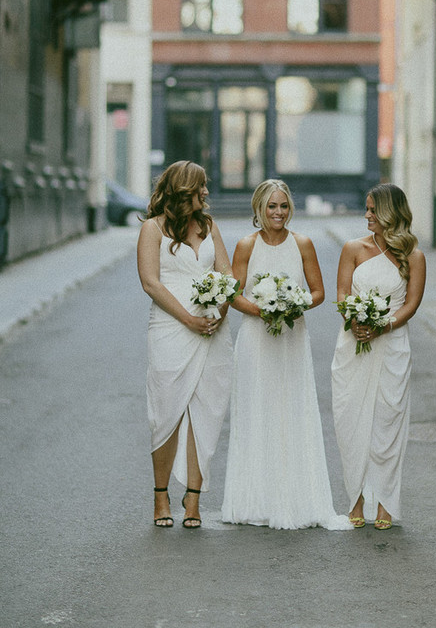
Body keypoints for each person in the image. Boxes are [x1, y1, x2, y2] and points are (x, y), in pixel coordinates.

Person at [222, 179, 350, 530]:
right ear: (259, 209)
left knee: (292, 410)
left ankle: (297, 499)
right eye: (271, 207)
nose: (278, 213)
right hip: (255, 340)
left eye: (283, 206)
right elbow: (234, 294)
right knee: (256, 411)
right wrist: (262, 310)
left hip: (292, 337)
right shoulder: (245, 246)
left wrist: (293, 304)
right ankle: (256, 499)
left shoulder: (303, 244)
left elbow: (319, 292)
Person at [137, 161, 234, 529]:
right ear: (183, 190)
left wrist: (220, 312)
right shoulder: (152, 228)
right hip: (170, 327)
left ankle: (193, 500)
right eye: (201, 187)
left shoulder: (209, 226)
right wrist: (189, 319)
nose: (207, 192)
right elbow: (151, 283)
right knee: (167, 411)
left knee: (206, 411)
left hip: (213, 330)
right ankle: (161, 495)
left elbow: (227, 275)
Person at [331, 184, 426, 529]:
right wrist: (353, 319)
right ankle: (355, 498)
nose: (367, 215)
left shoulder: (412, 254)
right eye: (367, 209)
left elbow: (412, 304)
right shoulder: (353, 248)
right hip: (352, 345)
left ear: (390, 212)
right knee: (350, 419)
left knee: (387, 423)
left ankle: (384, 503)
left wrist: (383, 326)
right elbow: (342, 293)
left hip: (392, 347)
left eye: (373, 210)